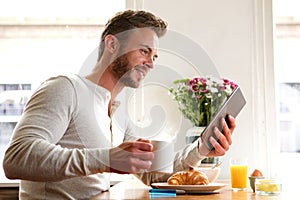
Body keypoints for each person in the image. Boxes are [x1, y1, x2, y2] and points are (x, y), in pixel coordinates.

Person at [3, 10, 236, 199]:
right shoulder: (65, 88)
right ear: (112, 44)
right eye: (144, 51)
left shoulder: (118, 112)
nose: (151, 63)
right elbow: (16, 158)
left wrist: (202, 149)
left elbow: (154, 175)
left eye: (154, 56)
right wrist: (108, 159)